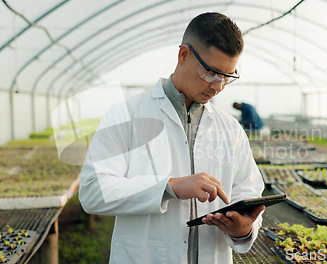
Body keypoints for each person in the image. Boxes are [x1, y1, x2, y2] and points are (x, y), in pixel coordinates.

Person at [79, 12, 265, 264]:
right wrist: (169, 187)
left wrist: (243, 230)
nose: (217, 86)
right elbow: (92, 192)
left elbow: (249, 191)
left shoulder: (230, 128)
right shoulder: (126, 115)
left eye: (226, 77)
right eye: (211, 73)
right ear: (183, 55)